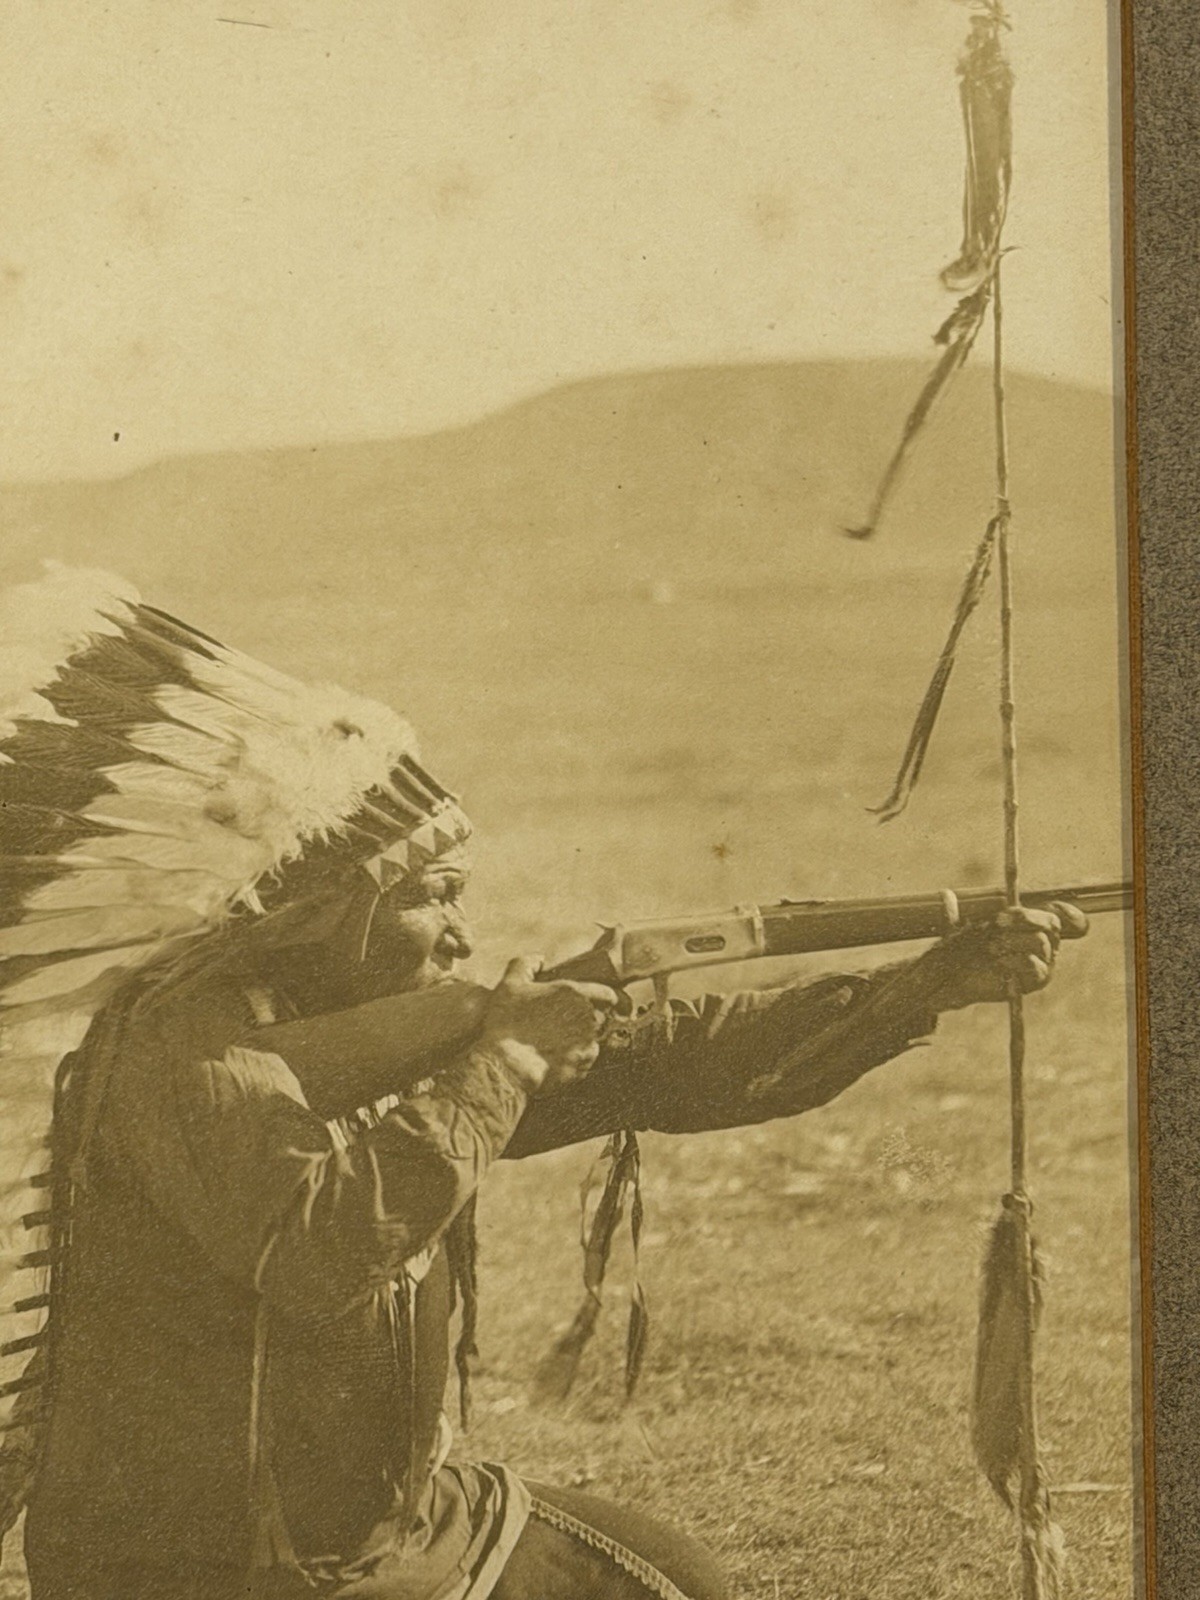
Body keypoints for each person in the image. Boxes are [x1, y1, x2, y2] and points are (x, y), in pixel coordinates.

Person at [0, 569, 1084, 1600]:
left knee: (679, 1576)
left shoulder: (366, 1027)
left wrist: (923, 985)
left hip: (382, 1528)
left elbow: (665, 1065)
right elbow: (318, 1249)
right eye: (433, 895)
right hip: (210, 1563)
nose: (461, 933)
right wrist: (507, 1056)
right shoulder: (173, 1051)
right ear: (330, 910)